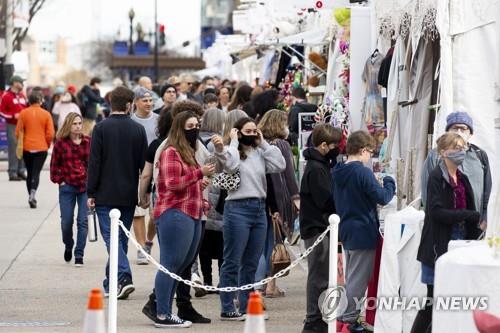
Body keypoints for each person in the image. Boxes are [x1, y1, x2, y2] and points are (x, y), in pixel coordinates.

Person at [142, 100, 212, 324]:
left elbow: (186, 181)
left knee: (182, 265)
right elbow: (172, 183)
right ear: (180, 128)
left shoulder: (189, 151)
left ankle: (165, 309)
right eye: (190, 126)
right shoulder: (171, 151)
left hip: (192, 211)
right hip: (175, 212)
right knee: (171, 264)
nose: (195, 130)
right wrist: (199, 173)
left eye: (197, 125)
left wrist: (198, 183)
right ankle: (162, 312)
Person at [213, 117, 286, 320]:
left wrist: (263, 142)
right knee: (232, 260)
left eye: (255, 130)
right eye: (248, 130)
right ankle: (227, 307)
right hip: (237, 208)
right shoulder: (230, 150)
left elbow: (280, 164)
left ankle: (246, 305)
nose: (252, 134)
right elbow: (231, 165)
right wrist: (234, 141)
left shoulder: (261, 152)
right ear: (238, 131)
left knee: (251, 262)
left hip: (259, 208)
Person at [412, 132, 482, 333]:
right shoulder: (436, 177)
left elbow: (471, 208)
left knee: (451, 299)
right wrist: (467, 215)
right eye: (457, 148)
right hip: (438, 244)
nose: (461, 152)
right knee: (432, 300)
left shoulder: (463, 178)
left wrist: (474, 222)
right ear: (443, 152)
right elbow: (435, 211)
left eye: (463, 148)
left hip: (459, 241)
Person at [87, 86, 148, 299]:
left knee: (113, 241)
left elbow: (94, 163)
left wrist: (90, 192)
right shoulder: (138, 130)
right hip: (128, 194)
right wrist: (145, 192)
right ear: (129, 104)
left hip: (105, 194)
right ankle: (110, 282)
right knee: (119, 240)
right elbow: (145, 166)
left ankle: (124, 276)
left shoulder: (101, 129)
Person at [333, 130, 395, 332]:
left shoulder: (338, 171)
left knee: (352, 278)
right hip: (363, 230)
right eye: (369, 151)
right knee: (358, 280)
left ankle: (345, 316)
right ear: (362, 150)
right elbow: (383, 197)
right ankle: (348, 320)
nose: (370, 155)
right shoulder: (362, 172)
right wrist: (389, 182)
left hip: (347, 229)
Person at [299, 123, 342, 333]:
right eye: (335, 144)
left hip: (319, 227)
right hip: (317, 229)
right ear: (324, 145)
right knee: (319, 276)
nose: (338, 148)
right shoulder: (316, 169)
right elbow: (326, 200)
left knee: (321, 274)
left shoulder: (320, 165)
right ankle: (313, 318)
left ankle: (316, 316)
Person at [421, 111, 490, 232]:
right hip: (446, 227)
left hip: (474, 224)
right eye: (455, 128)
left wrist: (485, 219)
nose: (459, 132)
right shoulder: (436, 155)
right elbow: (427, 193)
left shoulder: (480, 155)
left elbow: (487, 191)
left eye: (463, 129)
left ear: (470, 133)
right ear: (448, 132)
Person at [256, 109, 300, 298]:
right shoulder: (281, 144)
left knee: (265, 243)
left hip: (264, 198)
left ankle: (263, 283)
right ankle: (270, 285)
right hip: (279, 199)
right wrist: (296, 197)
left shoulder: (260, 145)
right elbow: (289, 175)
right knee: (275, 243)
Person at [50, 112, 90, 266]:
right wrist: (59, 181)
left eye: (80, 123)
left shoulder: (88, 142)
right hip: (67, 187)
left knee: (83, 221)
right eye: (74, 123)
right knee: (66, 222)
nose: (78, 126)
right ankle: (68, 244)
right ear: (68, 124)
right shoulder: (61, 143)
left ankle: (79, 254)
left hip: (85, 188)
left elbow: (94, 164)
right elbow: (55, 165)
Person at [131, 87, 160, 265]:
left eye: (150, 100)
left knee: (156, 213)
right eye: (145, 100)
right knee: (138, 211)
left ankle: (148, 241)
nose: (149, 103)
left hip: (157, 170)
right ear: (136, 102)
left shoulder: (158, 120)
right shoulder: (131, 121)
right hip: (138, 171)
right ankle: (141, 248)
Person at [198, 108, 226, 291]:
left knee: (205, 246)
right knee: (222, 244)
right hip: (219, 196)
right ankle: (221, 281)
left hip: (205, 196)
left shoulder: (198, 140)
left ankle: (207, 279)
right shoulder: (218, 143)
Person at [16, 90, 55, 208]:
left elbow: (18, 132)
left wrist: (21, 143)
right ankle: (33, 193)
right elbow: (50, 133)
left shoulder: (23, 113)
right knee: (36, 172)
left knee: (30, 172)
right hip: (41, 147)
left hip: (27, 147)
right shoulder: (46, 114)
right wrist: (47, 144)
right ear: (40, 100)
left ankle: (30, 195)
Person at [0, 75, 27, 181]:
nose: (22, 84)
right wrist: (12, 115)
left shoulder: (22, 96)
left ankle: (21, 171)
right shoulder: (6, 96)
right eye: (21, 82)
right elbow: (1, 111)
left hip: (23, 125)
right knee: (14, 148)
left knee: (23, 147)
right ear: (15, 83)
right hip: (12, 125)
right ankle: (12, 172)